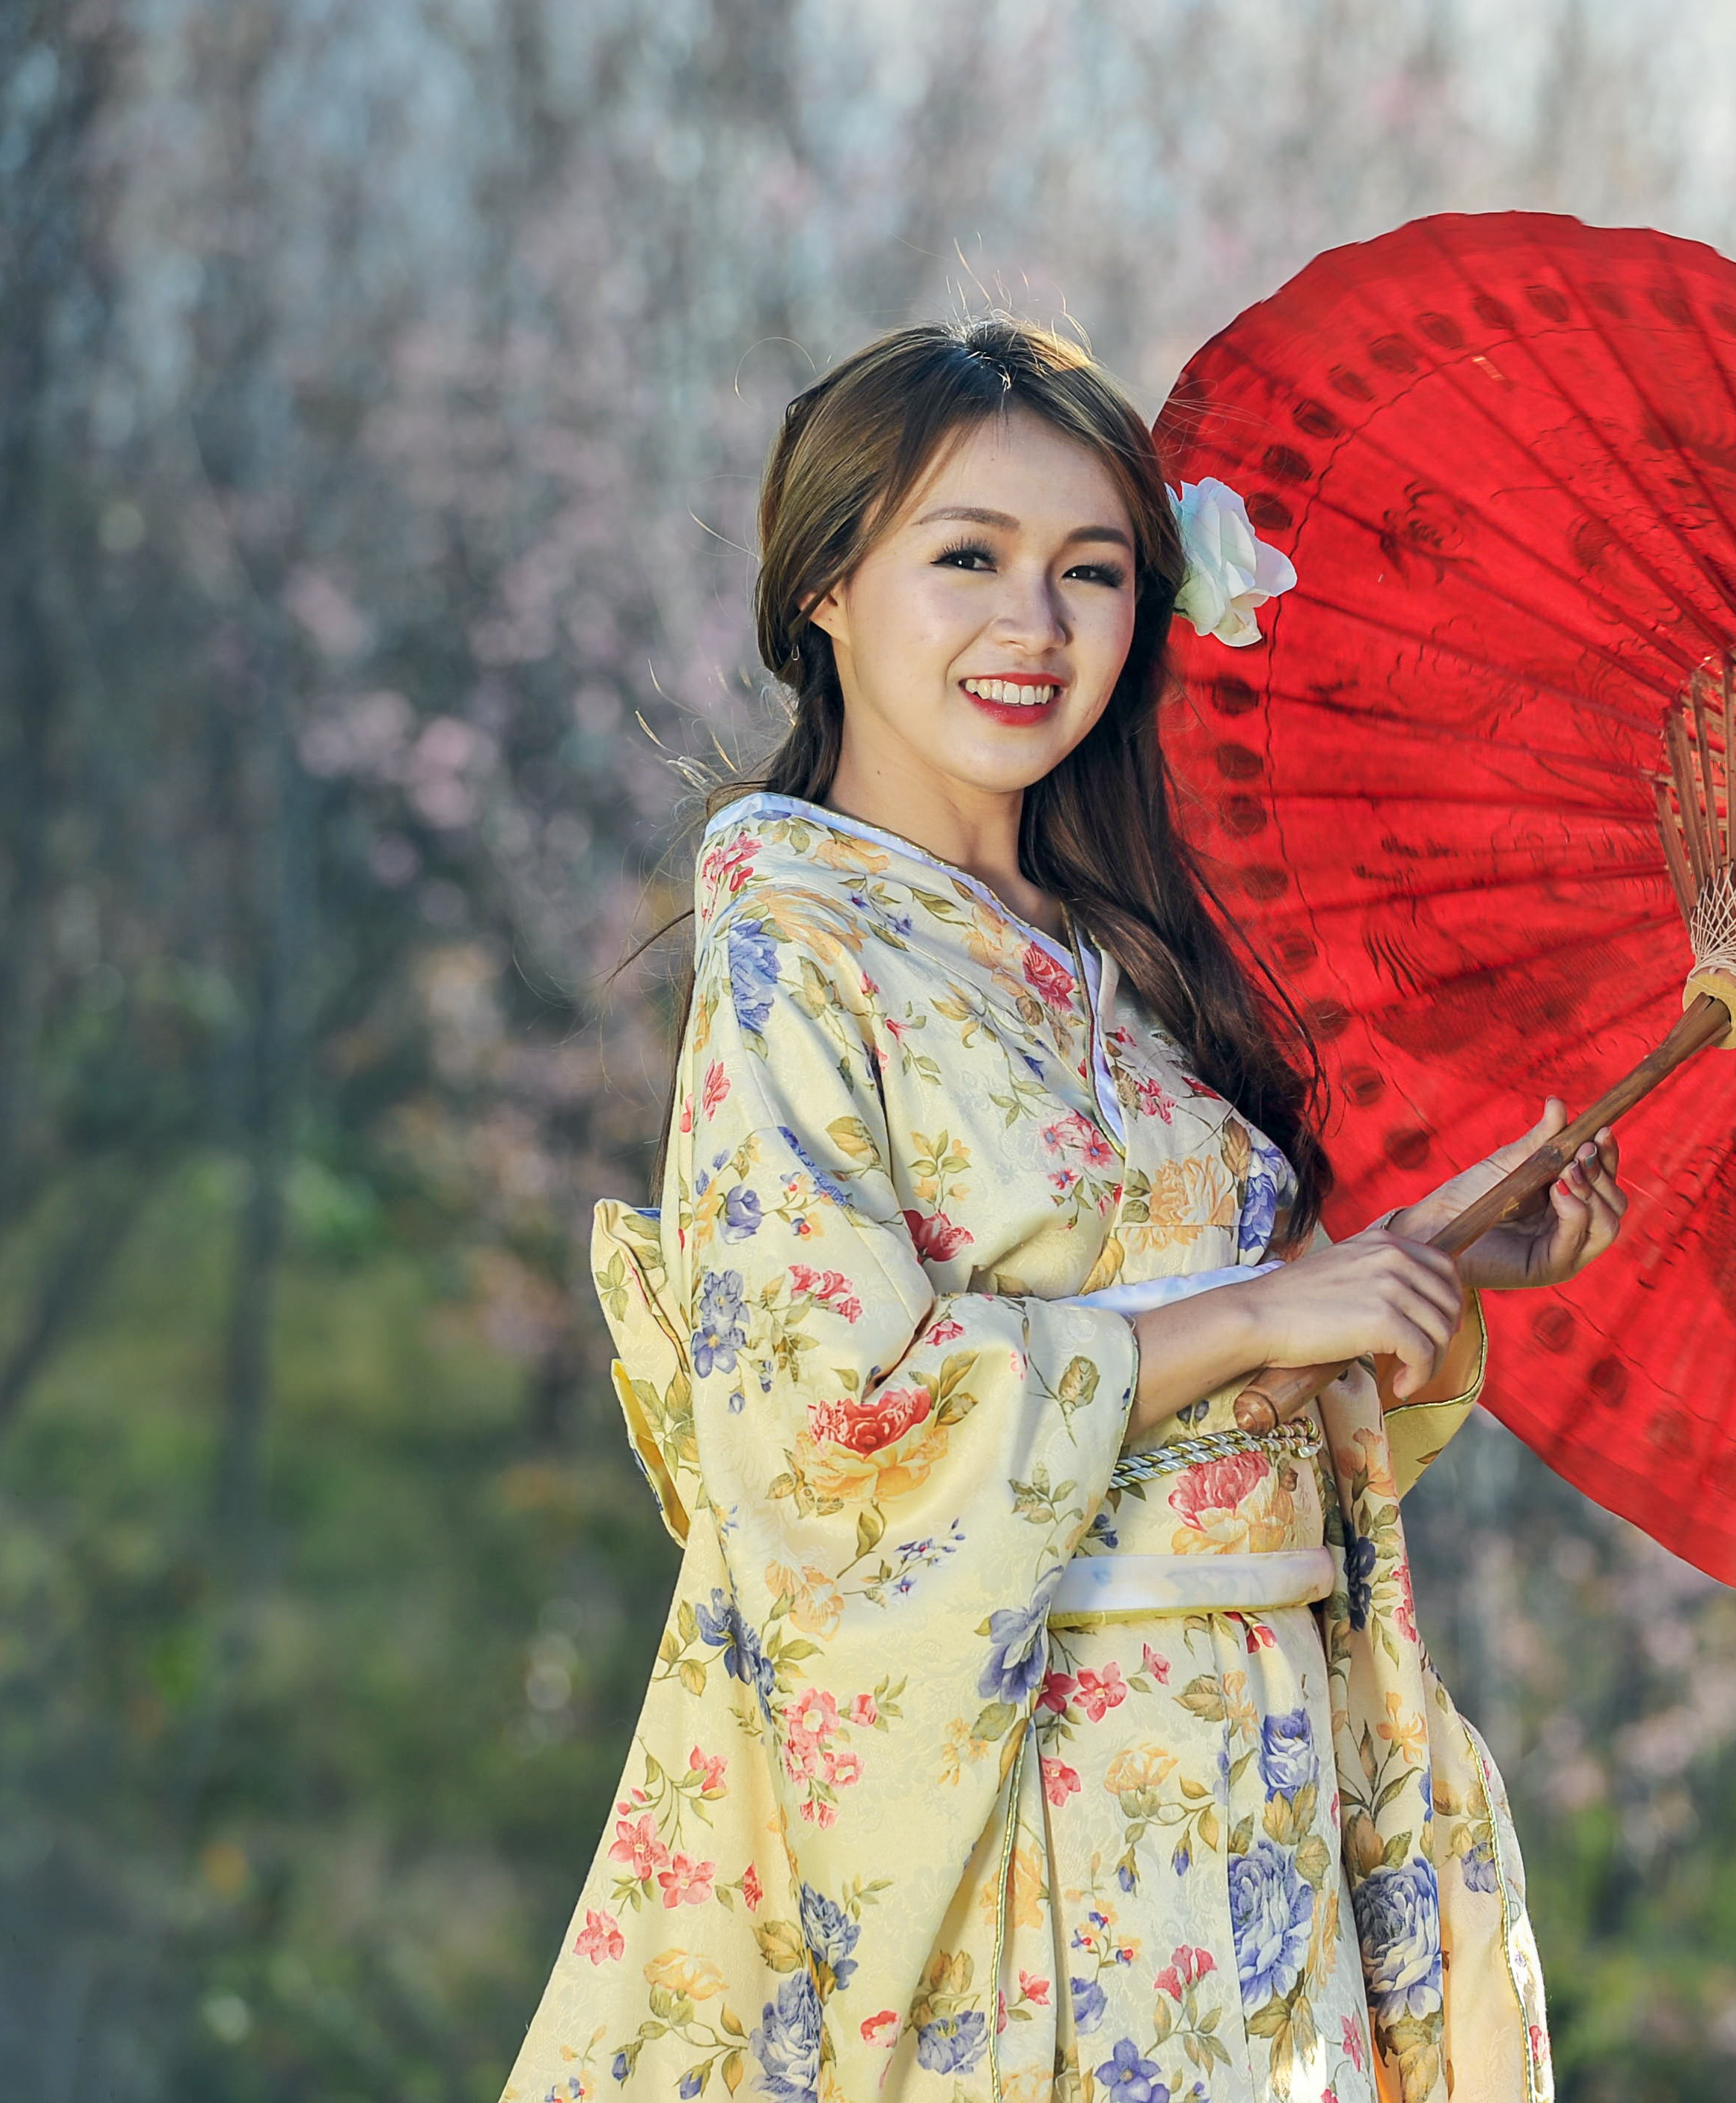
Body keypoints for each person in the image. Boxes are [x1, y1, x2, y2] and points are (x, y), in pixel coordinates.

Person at [506, 318, 1625, 2103]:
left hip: (1258, 1784)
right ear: (824, 590)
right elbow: (824, 1443)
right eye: (970, 560)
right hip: (1031, 1809)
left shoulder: (1129, 956)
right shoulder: (798, 943)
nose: (1035, 628)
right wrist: (1259, 1316)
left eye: (1091, 574)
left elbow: (1229, 1397)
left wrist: (1405, 1273)